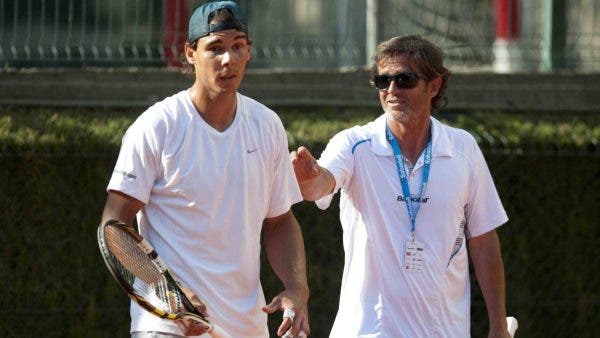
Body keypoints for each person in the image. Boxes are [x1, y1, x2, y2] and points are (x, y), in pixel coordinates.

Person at [101, 1, 309, 337]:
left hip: (247, 326)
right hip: (167, 328)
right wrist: (169, 293)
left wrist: (297, 288)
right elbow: (114, 226)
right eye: (216, 48)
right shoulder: (157, 126)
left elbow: (280, 221)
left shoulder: (267, 125)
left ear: (248, 52)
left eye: (238, 46)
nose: (229, 59)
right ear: (190, 53)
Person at [291, 35, 510, 338]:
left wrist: (498, 326)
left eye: (404, 79)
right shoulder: (354, 144)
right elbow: (321, 185)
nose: (392, 90)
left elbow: (483, 239)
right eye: (383, 80)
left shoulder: (463, 149)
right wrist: (308, 177)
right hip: (368, 332)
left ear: (434, 85)